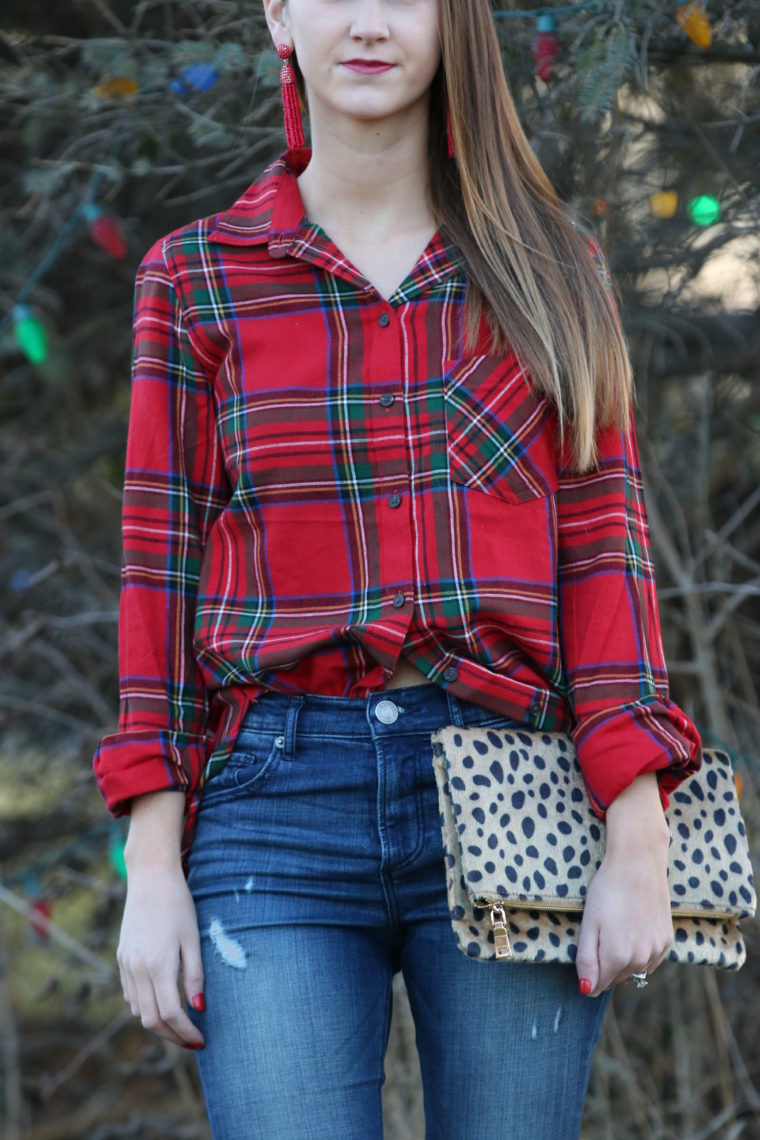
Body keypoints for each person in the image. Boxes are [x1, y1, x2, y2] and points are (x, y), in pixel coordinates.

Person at [93, 1, 702, 1137]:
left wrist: (636, 834)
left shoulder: (549, 269)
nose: (368, 22)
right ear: (278, 13)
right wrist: (151, 866)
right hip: (272, 807)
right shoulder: (200, 279)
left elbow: (603, 556)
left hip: (512, 790)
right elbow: (155, 579)